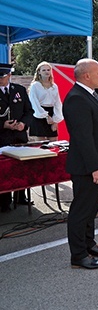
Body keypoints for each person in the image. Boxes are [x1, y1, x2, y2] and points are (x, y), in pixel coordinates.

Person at [62, 59, 98, 269]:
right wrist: (96, 167)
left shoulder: (90, 95)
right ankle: (79, 255)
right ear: (86, 76)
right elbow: (83, 138)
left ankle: (89, 244)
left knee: (91, 209)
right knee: (81, 211)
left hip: (97, 165)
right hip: (88, 167)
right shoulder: (77, 98)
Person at [0, 63, 34, 212]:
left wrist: (23, 124)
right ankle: (4, 201)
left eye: (2, 77)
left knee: (22, 169)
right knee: (5, 171)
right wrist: (3, 124)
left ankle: (21, 197)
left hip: (19, 137)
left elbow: (29, 111)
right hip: (2, 138)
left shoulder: (19, 90)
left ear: (9, 76)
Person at [28, 61, 63, 141]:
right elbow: (34, 103)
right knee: (40, 143)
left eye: (48, 70)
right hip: (38, 114)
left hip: (52, 114)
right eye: (44, 70)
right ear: (39, 72)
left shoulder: (54, 86)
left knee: (54, 141)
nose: (46, 72)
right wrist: (46, 116)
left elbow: (58, 103)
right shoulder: (35, 86)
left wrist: (55, 120)